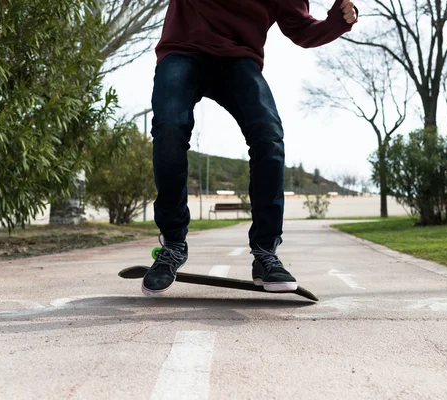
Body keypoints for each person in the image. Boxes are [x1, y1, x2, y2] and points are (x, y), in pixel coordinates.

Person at [142, 0, 358, 297]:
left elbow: (301, 29)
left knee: (268, 136)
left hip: (238, 61)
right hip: (184, 49)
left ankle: (265, 252)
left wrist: (337, 22)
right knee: (169, 127)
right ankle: (174, 243)